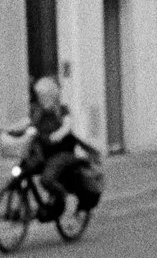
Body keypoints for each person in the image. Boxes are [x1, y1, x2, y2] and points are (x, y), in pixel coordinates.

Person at [23, 76, 101, 220]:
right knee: (24, 170)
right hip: (45, 153)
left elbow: (67, 125)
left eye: (44, 95)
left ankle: (67, 199)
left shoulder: (61, 110)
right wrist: (7, 130)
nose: (41, 98)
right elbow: (26, 123)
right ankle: (33, 206)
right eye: (39, 95)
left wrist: (58, 134)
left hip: (63, 153)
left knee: (46, 179)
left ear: (52, 95)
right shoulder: (38, 111)